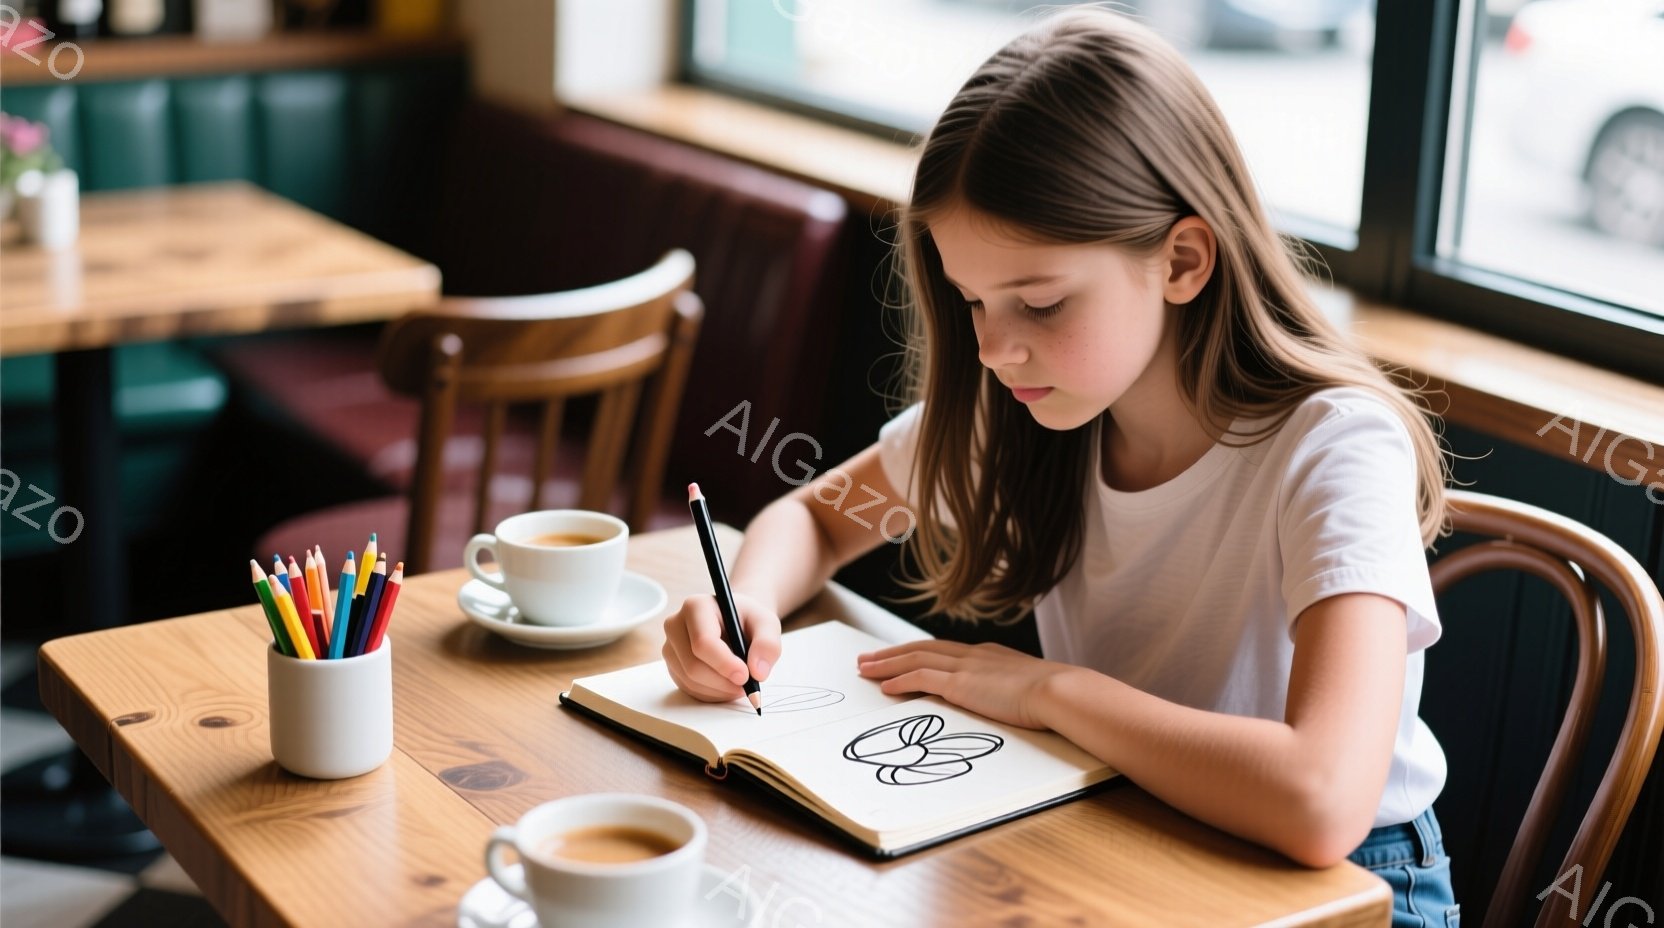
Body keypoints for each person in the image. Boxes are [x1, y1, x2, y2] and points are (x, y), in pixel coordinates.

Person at [662, 7, 1458, 923]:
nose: (994, 349)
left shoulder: (1333, 448)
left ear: (1182, 260)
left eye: (1039, 304)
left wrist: (1049, 690)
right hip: (1132, 825)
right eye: (973, 301)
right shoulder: (1031, 409)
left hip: (1349, 885)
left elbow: (1321, 800)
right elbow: (816, 518)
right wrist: (746, 603)